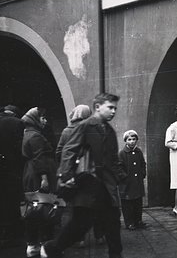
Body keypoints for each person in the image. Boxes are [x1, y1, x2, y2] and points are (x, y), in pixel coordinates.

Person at [41, 93, 127, 258]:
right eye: (110, 107)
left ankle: (116, 255)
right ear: (97, 107)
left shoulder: (109, 130)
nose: (113, 111)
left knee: (112, 223)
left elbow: (112, 159)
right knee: (81, 223)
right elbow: (69, 150)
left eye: (115, 108)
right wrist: (65, 176)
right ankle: (52, 248)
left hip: (105, 185)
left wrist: (121, 176)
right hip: (88, 183)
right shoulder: (85, 126)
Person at [55, 105, 105, 247]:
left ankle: (79, 238)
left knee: (77, 207)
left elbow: (59, 152)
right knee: (95, 205)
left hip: (73, 174)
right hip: (91, 173)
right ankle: (99, 235)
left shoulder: (66, 131)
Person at [21, 107, 57, 257]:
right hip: (38, 176)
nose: (45, 120)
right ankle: (43, 244)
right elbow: (39, 158)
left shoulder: (27, 134)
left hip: (30, 174)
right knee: (43, 208)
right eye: (42, 118)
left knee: (33, 208)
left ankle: (33, 244)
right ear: (35, 119)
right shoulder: (35, 136)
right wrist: (44, 178)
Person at [0, 105, 25, 248]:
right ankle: (12, 231)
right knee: (11, 198)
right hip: (11, 167)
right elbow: (19, 148)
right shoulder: (16, 123)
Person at [118, 130, 147, 229]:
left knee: (137, 203)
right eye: (129, 139)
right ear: (125, 141)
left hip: (137, 182)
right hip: (127, 184)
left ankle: (138, 220)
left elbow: (143, 164)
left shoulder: (138, 152)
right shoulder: (122, 153)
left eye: (134, 139)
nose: (132, 142)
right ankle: (129, 222)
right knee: (127, 204)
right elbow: (119, 167)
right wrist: (124, 177)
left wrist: (143, 173)